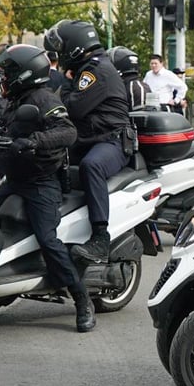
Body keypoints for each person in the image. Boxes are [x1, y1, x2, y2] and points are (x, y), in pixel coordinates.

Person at [0, 44, 95, 332]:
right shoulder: (15, 100)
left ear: (25, 74)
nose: (2, 79)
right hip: (13, 179)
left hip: (41, 182)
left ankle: (81, 298)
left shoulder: (43, 98)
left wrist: (35, 140)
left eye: (8, 73)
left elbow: (67, 131)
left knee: (47, 240)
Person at [44, 19, 132, 264]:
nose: (60, 54)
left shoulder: (96, 71)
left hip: (112, 142)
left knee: (91, 166)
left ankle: (100, 237)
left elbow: (73, 107)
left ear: (74, 48)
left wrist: (67, 82)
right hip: (89, 138)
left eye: (62, 49)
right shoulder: (89, 68)